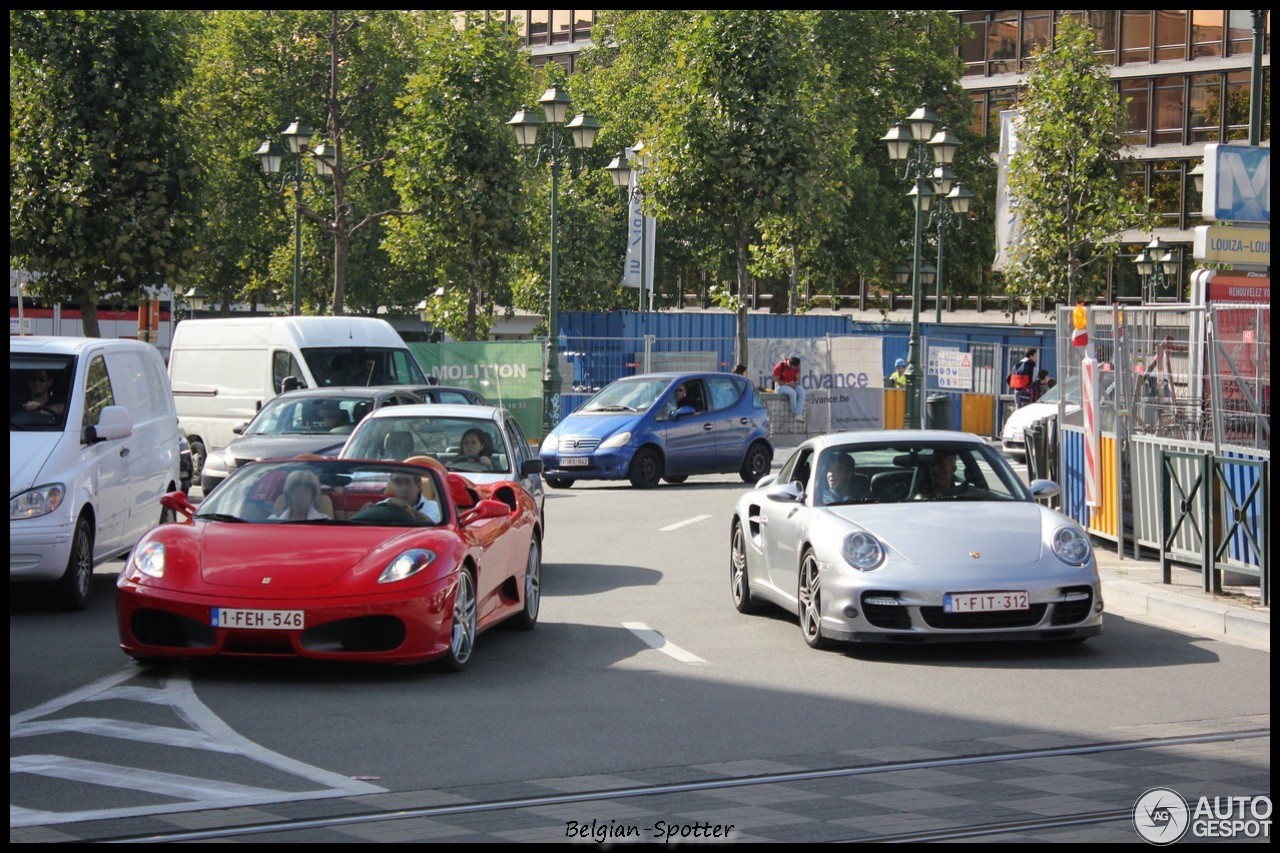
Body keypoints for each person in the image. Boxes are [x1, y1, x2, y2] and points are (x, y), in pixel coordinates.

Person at [772, 355, 805, 422]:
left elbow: (797, 379)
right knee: (793, 393)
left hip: (790, 385)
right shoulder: (780, 366)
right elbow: (775, 380)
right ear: (790, 364)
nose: (795, 369)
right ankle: (795, 413)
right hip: (780, 386)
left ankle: (798, 414)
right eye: (794, 368)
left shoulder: (795, 368)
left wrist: (796, 382)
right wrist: (787, 383)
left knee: (802, 392)